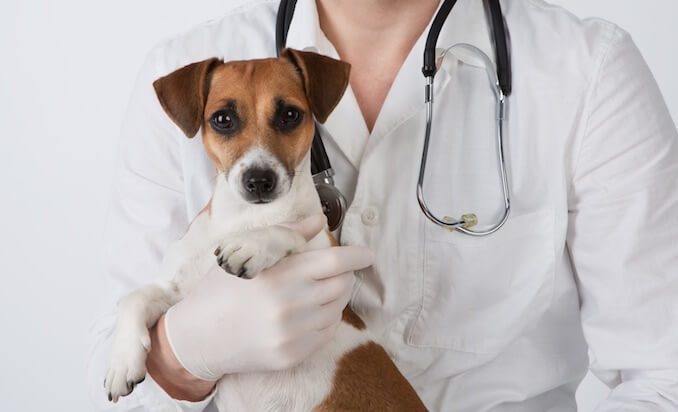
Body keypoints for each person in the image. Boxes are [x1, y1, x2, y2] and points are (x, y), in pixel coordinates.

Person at [86, 0, 678, 410]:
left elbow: (664, 377)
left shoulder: (588, 73)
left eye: (289, 117)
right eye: (226, 125)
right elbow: (115, 390)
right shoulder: (186, 70)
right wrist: (185, 353)